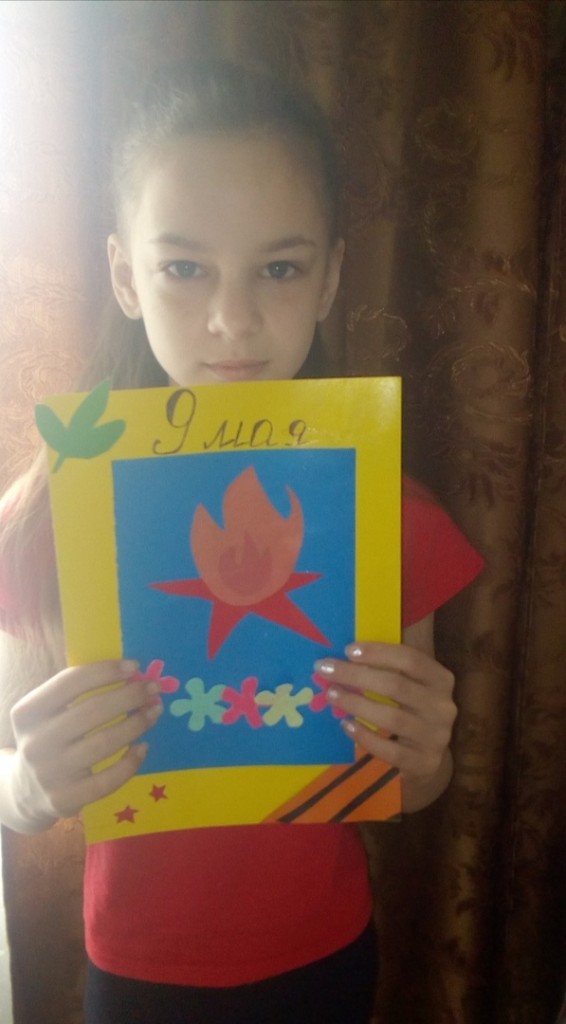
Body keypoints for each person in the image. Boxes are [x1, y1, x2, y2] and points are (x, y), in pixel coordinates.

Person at [0, 61, 483, 1023]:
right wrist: (28, 788)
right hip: (137, 964)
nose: (233, 319)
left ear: (330, 276)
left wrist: (425, 756)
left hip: (322, 949)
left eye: (280, 267)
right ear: (125, 276)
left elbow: (408, 784)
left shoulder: (387, 512)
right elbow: (13, 764)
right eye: (184, 268)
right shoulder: (52, 514)